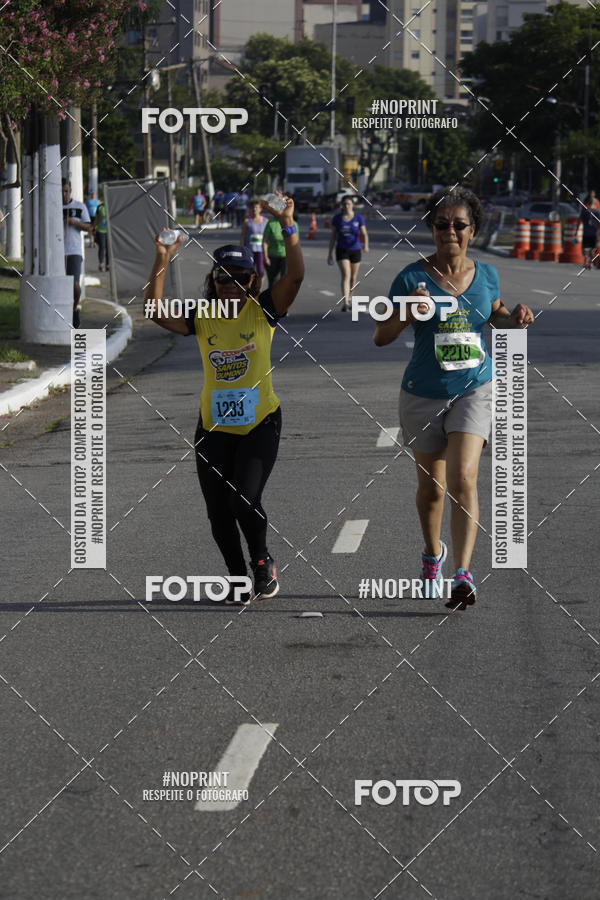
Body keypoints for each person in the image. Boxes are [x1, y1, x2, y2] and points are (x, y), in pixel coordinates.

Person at [373, 186, 534, 610]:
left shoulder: (487, 275)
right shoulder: (412, 278)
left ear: (472, 230)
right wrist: (408, 309)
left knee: (464, 478)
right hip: (423, 394)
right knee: (432, 492)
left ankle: (463, 573)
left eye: (459, 225)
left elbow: (494, 314)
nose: (450, 232)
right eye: (441, 225)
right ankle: (433, 556)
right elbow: (381, 336)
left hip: (474, 388)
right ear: (431, 229)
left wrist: (512, 320)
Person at [143, 195, 303, 605]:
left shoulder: (263, 310)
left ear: (253, 281)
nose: (230, 285)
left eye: (239, 278)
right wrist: (163, 257)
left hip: (260, 423)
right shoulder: (202, 315)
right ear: (212, 282)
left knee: (243, 500)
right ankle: (237, 579)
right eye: (222, 278)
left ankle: (262, 560)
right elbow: (153, 310)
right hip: (212, 426)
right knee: (217, 511)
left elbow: (297, 277)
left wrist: (287, 224)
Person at [327, 196, 369, 311]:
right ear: (342, 205)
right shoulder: (337, 218)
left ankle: (350, 298)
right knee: (346, 274)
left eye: (349, 204)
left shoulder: (358, 218)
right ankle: (345, 301)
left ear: (353, 205)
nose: (347, 206)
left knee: (353, 278)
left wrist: (365, 245)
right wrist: (330, 253)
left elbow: (364, 233)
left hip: (355, 249)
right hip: (342, 250)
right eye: (344, 204)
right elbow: (333, 236)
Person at [62, 179, 93, 328]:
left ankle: (74, 308)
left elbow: (88, 227)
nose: (64, 194)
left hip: (73, 250)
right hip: (57, 252)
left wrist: (74, 222)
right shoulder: (54, 207)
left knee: (74, 284)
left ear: (70, 191)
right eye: (61, 191)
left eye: (66, 191)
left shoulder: (79, 207)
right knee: (62, 284)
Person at [263, 213, 299, 288]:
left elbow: (295, 243)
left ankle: (282, 298)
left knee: (284, 278)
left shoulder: (293, 223)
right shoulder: (271, 223)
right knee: (272, 281)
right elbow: (265, 241)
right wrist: (265, 257)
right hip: (272, 255)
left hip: (286, 256)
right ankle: (271, 297)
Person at [241, 198, 267, 286]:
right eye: (253, 208)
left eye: (256, 207)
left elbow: (267, 237)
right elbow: (243, 236)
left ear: (260, 209)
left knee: (260, 271)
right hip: (249, 250)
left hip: (260, 250)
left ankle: (258, 290)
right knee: (249, 271)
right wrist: (241, 249)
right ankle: (248, 288)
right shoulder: (247, 221)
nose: (254, 209)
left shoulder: (265, 221)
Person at [579, 194, 599, 269]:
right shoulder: (596, 212)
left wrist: (577, 231)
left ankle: (587, 262)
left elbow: (579, 221)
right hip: (593, 233)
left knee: (586, 249)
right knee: (592, 250)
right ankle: (590, 263)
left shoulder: (584, 211)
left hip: (586, 233)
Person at [93, 195, 109, 272]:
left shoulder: (111, 206)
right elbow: (96, 219)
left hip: (109, 231)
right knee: (102, 247)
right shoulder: (100, 207)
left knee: (108, 248)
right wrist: (93, 228)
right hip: (101, 230)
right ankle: (101, 263)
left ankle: (108, 264)